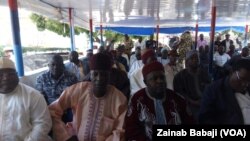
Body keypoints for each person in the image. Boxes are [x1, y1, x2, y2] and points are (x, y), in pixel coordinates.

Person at [49, 53, 128, 141]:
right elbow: (53, 111)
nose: (99, 79)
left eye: (104, 75)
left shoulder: (119, 100)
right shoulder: (78, 90)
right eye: (95, 74)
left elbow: (120, 131)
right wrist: (65, 136)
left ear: (110, 75)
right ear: (90, 74)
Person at [125, 61, 193, 141]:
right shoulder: (136, 100)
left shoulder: (177, 99)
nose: (160, 81)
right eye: (154, 78)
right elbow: (131, 130)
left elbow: (190, 123)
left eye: (162, 77)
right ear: (145, 82)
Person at [0, 57, 52, 140]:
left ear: (16, 75)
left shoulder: (33, 95)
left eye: (10, 74)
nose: (5, 78)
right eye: (1, 75)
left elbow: (42, 124)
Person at [199, 58, 250, 124]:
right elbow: (205, 119)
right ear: (231, 72)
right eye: (242, 79)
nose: (245, 84)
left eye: (249, 81)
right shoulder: (213, 90)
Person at [173, 50, 211, 123]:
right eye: (192, 58)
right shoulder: (180, 76)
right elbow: (179, 94)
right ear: (187, 61)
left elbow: (210, 88)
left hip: (205, 103)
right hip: (189, 105)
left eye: (197, 58)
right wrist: (193, 102)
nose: (196, 60)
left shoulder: (204, 73)